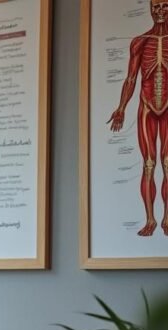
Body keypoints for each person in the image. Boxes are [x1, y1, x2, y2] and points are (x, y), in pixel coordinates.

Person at [108, 0, 168, 237]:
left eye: (165, 7)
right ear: (150, 10)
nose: (160, 12)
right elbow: (131, 78)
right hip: (146, 106)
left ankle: (167, 220)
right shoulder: (140, 42)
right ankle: (151, 220)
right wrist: (121, 107)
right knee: (149, 164)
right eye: (156, 8)